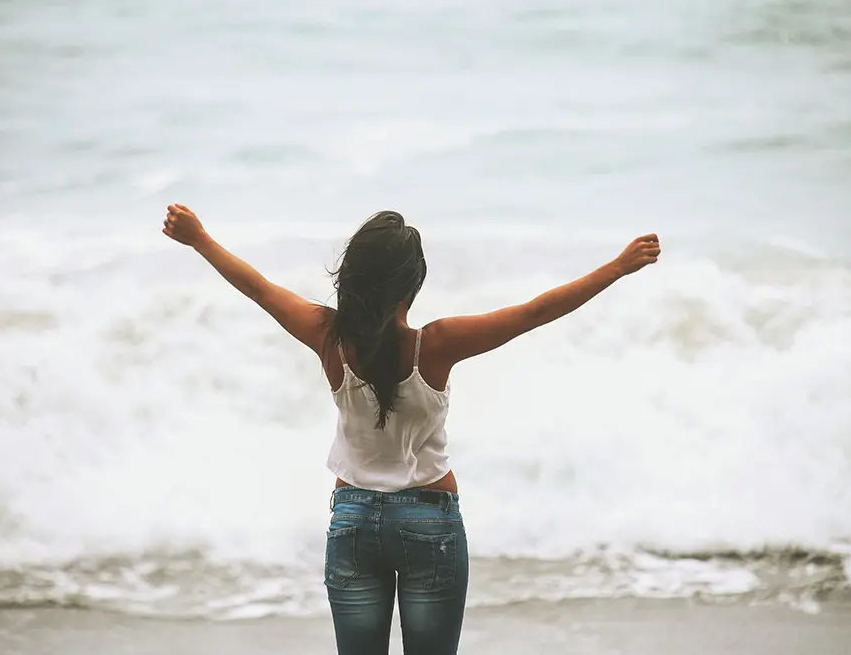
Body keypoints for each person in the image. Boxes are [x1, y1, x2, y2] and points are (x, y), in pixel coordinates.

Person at [161, 204, 661, 654]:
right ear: (413, 283)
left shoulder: (328, 336)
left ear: (352, 279)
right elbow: (533, 313)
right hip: (429, 519)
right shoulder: (436, 344)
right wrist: (617, 268)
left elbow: (258, 288)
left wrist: (200, 238)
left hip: (352, 520)